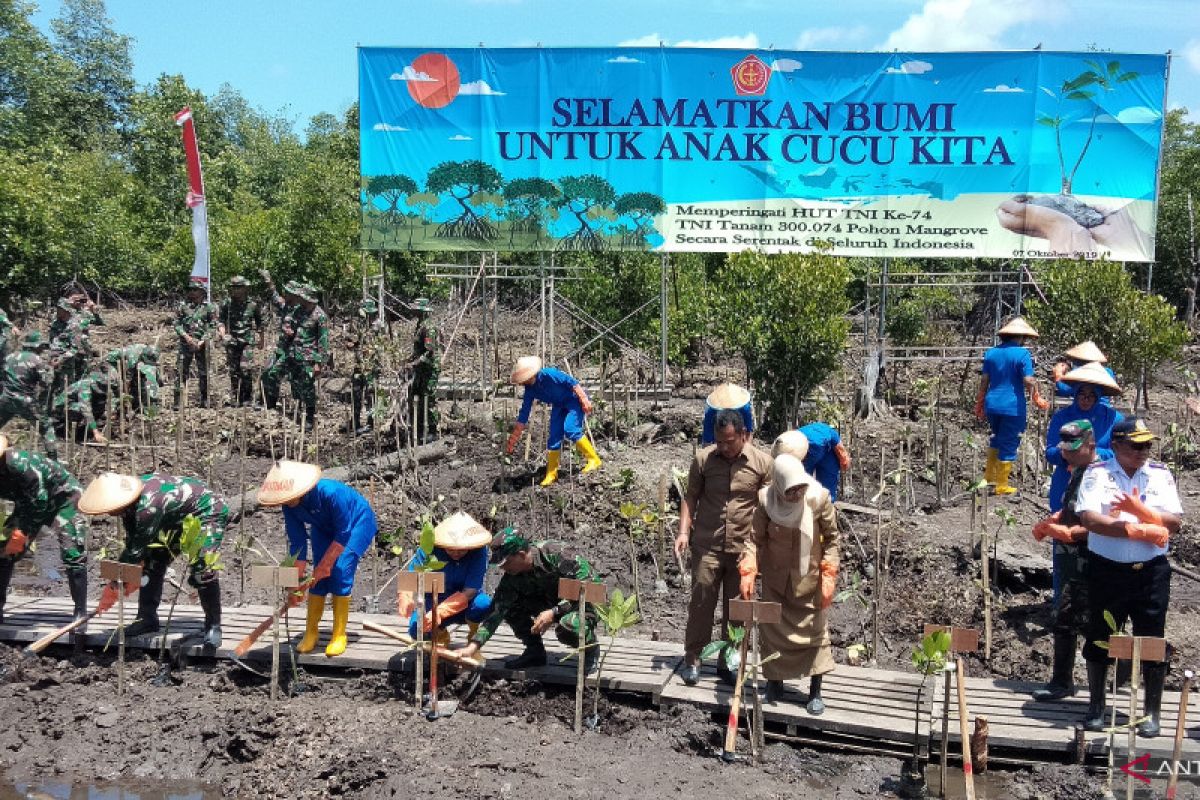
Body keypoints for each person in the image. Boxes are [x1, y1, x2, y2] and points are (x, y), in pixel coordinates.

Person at [1075, 418, 1182, 737]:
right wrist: (1130, 528)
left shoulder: (1160, 475)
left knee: (1152, 638)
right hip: (1107, 568)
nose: (1142, 452)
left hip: (1150, 571)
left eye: (1147, 445)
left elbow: (1173, 521)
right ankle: (1097, 706)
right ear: (1118, 445)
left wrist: (1142, 513)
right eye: (1136, 445)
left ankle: (1152, 713)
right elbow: (1090, 518)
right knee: (1100, 635)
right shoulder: (1099, 473)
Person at [674, 408, 773, 686]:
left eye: (730, 441)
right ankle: (693, 657)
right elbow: (691, 497)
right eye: (720, 441)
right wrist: (683, 532)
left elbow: (768, 507)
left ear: (744, 435)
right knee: (701, 601)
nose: (725, 447)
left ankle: (729, 660)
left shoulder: (763, 463)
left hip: (744, 548)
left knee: (738, 607)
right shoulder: (704, 459)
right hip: (708, 544)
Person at [78, 471, 229, 648]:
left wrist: (114, 586)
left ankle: (213, 626)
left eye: (111, 508)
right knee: (152, 562)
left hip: (206, 511)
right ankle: (146, 619)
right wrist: (121, 579)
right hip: (171, 516)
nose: (110, 513)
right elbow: (135, 541)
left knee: (203, 567)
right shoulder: (128, 503)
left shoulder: (147, 507)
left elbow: (135, 552)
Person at [740, 451, 839, 714]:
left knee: (815, 635)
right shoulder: (765, 500)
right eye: (790, 490)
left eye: (800, 488)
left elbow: (832, 539)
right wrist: (748, 568)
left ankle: (815, 692)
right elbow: (754, 538)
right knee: (773, 632)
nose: (796, 495)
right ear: (780, 486)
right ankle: (774, 682)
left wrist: (829, 572)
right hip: (775, 578)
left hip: (810, 579)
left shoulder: (819, 499)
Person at [257, 460, 378, 657]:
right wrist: (296, 585)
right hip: (323, 527)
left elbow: (343, 533)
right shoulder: (289, 507)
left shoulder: (330, 493)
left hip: (356, 524)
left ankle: (339, 634)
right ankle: (311, 632)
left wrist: (326, 565)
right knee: (316, 581)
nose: (286, 502)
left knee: (339, 569)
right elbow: (298, 545)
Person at [459, 529, 599, 672]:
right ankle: (535, 651)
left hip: (584, 604)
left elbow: (590, 591)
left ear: (521, 555)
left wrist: (554, 612)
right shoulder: (512, 577)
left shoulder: (557, 554)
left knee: (568, 626)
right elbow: (496, 613)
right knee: (510, 608)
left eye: (506, 563)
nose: (503, 569)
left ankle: (590, 649)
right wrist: (472, 647)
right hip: (549, 602)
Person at [1030, 421, 1096, 702]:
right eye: (1065, 450)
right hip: (1070, 563)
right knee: (1064, 618)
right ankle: (1062, 681)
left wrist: (1067, 533)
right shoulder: (1077, 471)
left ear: (1090, 445)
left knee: (1091, 624)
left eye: (1073, 449)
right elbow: (1071, 510)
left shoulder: (1098, 475)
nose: (1066, 455)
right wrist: (1053, 522)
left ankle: (1102, 690)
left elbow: (1101, 524)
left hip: (1090, 562)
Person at [0, 434, 89, 623]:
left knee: (72, 551)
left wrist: (22, 532)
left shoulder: (21, 465)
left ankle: (81, 612)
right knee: (4, 551)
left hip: (64, 500)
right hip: (28, 503)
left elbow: (40, 502)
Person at [974, 317, 1049, 495]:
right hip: (1012, 406)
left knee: (996, 438)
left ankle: (989, 478)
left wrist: (980, 401)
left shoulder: (991, 353)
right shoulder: (1022, 354)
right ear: (1021, 337)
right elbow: (1028, 379)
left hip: (992, 403)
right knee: (1009, 441)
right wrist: (1037, 397)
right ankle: (1001, 485)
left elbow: (984, 380)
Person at [397, 511, 493, 645]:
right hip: (434, 600)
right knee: (417, 630)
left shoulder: (478, 552)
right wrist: (405, 596)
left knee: (483, 604)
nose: (456, 553)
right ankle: (441, 637)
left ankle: (473, 640)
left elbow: (471, 590)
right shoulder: (429, 548)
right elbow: (412, 577)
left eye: (461, 550)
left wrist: (441, 612)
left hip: (465, 604)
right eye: (451, 549)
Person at [504, 356, 601, 487]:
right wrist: (514, 437)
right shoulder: (530, 390)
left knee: (571, 429)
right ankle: (551, 473)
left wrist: (584, 399)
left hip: (573, 401)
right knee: (554, 436)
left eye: (523, 380)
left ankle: (594, 459)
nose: (521, 383)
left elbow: (572, 382)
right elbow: (524, 413)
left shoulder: (549, 374)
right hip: (558, 405)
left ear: (530, 375)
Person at [262, 282, 328, 429]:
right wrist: (288, 330)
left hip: (308, 357)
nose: (301, 301)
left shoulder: (320, 316)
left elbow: (323, 342)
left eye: (304, 299)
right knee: (273, 373)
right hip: (292, 353)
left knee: (306, 387)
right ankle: (271, 407)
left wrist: (319, 363)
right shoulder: (299, 311)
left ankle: (309, 418)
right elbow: (291, 325)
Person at [0, 331, 59, 459]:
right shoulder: (36, 360)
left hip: (5, 398)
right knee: (46, 428)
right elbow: (46, 382)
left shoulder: (9, 357)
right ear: (36, 346)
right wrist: (51, 368)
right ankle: (53, 460)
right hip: (25, 401)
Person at [217, 275, 263, 407]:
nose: (235, 290)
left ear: (245, 288)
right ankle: (236, 397)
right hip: (232, 341)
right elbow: (220, 321)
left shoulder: (253, 305)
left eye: (238, 287)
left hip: (247, 341)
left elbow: (260, 323)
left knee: (245, 368)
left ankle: (247, 397)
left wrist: (261, 340)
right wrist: (223, 334)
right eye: (233, 288)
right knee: (234, 371)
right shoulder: (227, 304)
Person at [173, 278, 217, 409]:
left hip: (202, 345)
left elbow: (213, 325)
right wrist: (186, 337)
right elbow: (176, 323)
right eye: (190, 290)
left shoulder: (209, 307)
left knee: (204, 373)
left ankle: (204, 400)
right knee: (181, 372)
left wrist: (203, 340)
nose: (192, 292)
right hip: (185, 345)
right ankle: (178, 402)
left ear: (202, 292)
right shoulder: (182, 306)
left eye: (195, 290)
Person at [348, 297, 385, 436]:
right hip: (359, 366)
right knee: (356, 394)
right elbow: (354, 340)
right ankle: (356, 423)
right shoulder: (361, 324)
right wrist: (352, 343)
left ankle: (371, 423)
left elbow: (379, 345)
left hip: (371, 367)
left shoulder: (377, 325)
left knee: (371, 396)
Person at [51, 364, 113, 445]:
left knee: (99, 407)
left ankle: (85, 431)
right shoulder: (85, 387)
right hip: (60, 410)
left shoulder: (98, 390)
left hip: (74, 405)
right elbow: (85, 409)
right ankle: (70, 435)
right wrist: (96, 432)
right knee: (76, 409)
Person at [407, 298, 439, 443]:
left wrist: (415, 362)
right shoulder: (420, 325)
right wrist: (408, 360)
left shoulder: (429, 327)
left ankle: (432, 430)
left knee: (429, 398)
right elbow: (418, 350)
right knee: (417, 395)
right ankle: (419, 428)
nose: (412, 311)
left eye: (415, 309)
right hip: (420, 368)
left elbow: (430, 351)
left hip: (429, 368)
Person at [797, 422, 852, 503]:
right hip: (808, 446)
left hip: (822, 449)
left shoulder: (831, 436)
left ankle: (826, 505)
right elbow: (843, 455)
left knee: (827, 485)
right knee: (803, 481)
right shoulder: (830, 435)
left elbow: (843, 456)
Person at [1051, 341, 1116, 405]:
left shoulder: (1081, 373)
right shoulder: (1108, 371)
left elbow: (1066, 391)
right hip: (1104, 408)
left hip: (1086, 410)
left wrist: (1058, 374)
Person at [48, 298, 91, 389]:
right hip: (53, 360)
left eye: (59, 309)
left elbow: (75, 348)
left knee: (66, 389)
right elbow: (52, 341)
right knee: (51, 387)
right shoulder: (55, 324)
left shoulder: (74, 326)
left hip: (66, 362)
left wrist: (61, 359)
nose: (57, 311)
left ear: (65, 310)